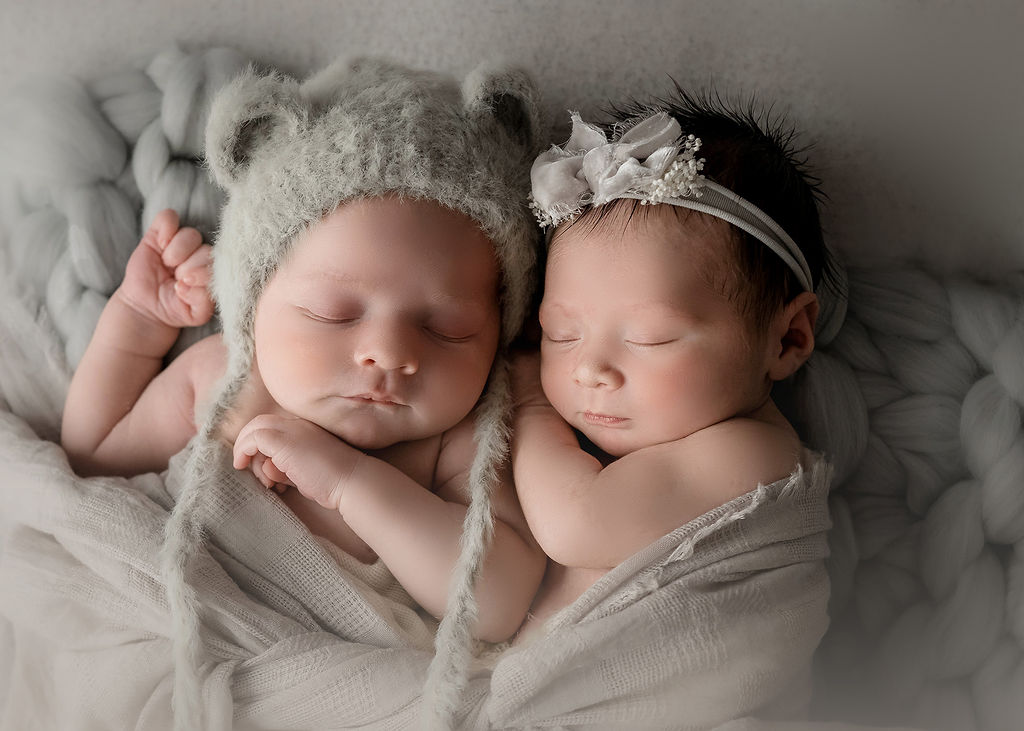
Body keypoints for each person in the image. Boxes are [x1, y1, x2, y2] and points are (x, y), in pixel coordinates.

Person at [60, 58, 547, 646]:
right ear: (253, 302)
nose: (389, 354)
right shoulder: (227, 380)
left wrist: (349, 483)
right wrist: (136, 324)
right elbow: (91, 461)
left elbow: (494, 603)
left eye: (449, 327)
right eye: (332, 314)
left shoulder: (460, 437)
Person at [511, 91, 837, 638]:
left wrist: (525, 400)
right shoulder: (596, 447)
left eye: (651, 338)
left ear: (787, 339)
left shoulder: (754, 454)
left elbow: (575, 522)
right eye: (559, 333)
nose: (589, 370)